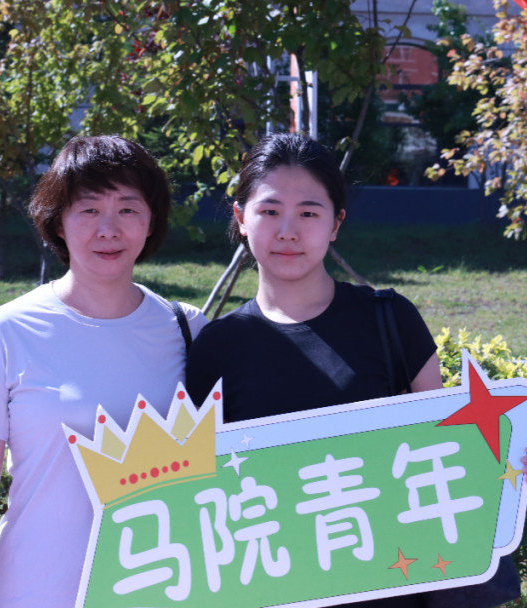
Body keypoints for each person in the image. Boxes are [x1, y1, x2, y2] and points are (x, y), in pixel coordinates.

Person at [186, 132, 520, 608]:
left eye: (309, 213)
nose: (288, 231)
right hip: (275, 588)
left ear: (335, 223)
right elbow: (204, 495)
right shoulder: (217, 347)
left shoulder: (389, 318)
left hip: (392, 585)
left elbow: (450, 454)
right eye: (270, 211)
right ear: (241, 218)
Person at [0, 135, 208, 608]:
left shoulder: (187, 329)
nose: (108, 229)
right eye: (88, 209)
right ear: (58, 222)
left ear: (151, 221)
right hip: (38, 593)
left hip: (163, 592)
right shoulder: (8, 330)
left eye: (128, 209)